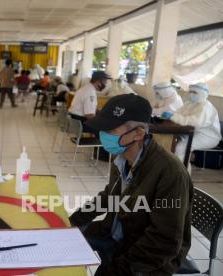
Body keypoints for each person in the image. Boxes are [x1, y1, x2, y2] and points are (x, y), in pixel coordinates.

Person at [70, 94, 192, 276]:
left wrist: (117, 269)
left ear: (139, 133)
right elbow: (109, 197)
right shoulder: (123, 157)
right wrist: (73, 221)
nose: (102, 134)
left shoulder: (170, 173)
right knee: (64, 243)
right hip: (117, 233)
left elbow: (163, 242)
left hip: (147, 258)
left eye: (111, 130)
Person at [162, 82, 222, 162]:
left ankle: (181, 173)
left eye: (195, 92)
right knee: (169, 141)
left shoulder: (205, 106)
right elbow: (178, 114)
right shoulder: (189, 104)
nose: (191, 94)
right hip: (192, 133)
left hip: (206, 136)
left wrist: (173, 116)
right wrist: (171, 114)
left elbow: (194, 122)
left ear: (202, 93)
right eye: (190, 91)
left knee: (181, 147)